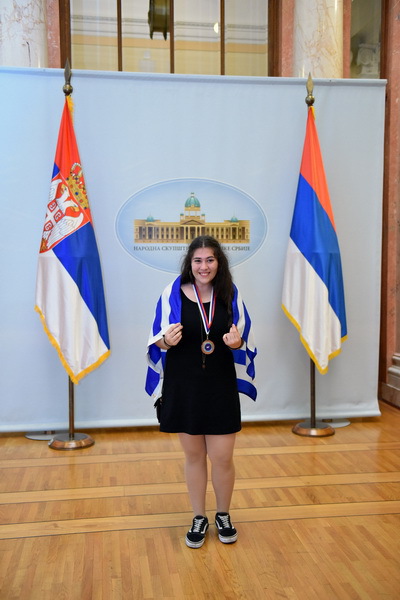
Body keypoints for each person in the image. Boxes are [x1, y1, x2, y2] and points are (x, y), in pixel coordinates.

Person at [146, 235, 257, 549]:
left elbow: (244, 338)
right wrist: (166, 341)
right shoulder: (171, 293)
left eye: (210, 260)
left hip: (220, 385)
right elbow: (156, 339)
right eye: (198, 260)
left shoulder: (229, 294)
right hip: (184, 386)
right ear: (189, 263)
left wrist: (237, 343)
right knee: (194, 456)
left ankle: (223, 514)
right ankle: (198, 516)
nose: (203, 266)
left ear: (218, 263)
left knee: (222, 457)